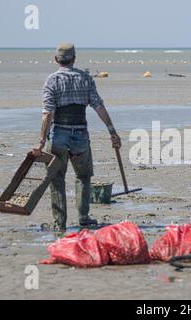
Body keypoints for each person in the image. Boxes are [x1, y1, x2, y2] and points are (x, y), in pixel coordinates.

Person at [32, 43, 121, 232]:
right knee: (83, 176)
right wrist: (112, 131)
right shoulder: (85, 78)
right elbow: (99, 107)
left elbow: (48, 114)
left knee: (57, 178)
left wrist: (41, 140)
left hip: (58, 136)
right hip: (80, 135)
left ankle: (60, 222)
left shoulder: (51, 81)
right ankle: (83, 218)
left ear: (56, 60)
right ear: (74, 58)